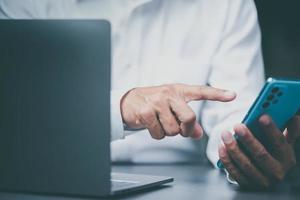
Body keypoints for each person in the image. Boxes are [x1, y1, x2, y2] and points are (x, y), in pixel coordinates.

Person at [0, 0, 299, 189]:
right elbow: (16, 115)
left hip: (186, 187)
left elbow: (234, 115)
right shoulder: (24, 3)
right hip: (45, 183)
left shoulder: (226, 6)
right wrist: (118, 109)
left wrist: (247, 151)